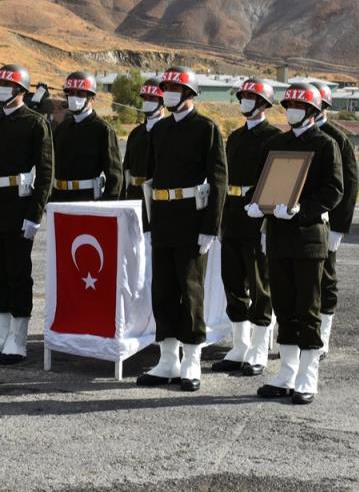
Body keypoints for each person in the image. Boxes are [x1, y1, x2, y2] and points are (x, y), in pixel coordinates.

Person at [246, 81, 343, 404]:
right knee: (284, 306)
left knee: (308, 308)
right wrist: (254, 202)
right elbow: (260, 182)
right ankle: (287, 371)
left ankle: (307, 375)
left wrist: (303, 210)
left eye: (299, 107)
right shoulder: (276, 144)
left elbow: (334, 190)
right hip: (278, 237)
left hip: (308, 239)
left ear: (314, 111)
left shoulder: (326, 145)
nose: (292, 111)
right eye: (289, 106)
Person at [137, 66, 227, 391]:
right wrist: (149, 223)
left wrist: (210, 227)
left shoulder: (206, 129)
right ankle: (167, 360)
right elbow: (149, 180)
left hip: (191, 221)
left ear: (189, 93)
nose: (168, 93)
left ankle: (191, 361)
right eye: (166, 88)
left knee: (190, 292)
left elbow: (218, 180)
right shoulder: (158, 131)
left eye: (175, 88)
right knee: (162, 291)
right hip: (162, 218)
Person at [0, 64, 54, 365]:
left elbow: (45, 172)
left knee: (17, 273)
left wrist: (35, 215)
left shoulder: (35, 123)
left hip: (18, 209)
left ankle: (17, 339)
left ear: (20, 90)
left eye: (7, 84)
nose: (1, 88)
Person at [213, 78, 280, 376]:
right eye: (243, 97)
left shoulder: (274, 138)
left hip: (257, 218)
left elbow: (276, 183)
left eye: (251, 97)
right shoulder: (236, 137)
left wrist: (266, 218)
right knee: (233, 282)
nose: (245, 101)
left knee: (260, 285)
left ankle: (259, 347)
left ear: (264, 103)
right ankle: (239, 345)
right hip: (233, 216)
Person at [313, 82, 359, 359]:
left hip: (327, 222)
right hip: (295, 221)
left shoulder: (336, 138)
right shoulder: (294, 137)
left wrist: (339, 227)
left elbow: (349, 184)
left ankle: (323, 336)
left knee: (325, 277)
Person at [50, 71, 122, 203]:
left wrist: (106, 207)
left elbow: (114, 176)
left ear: (92, 97)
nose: (74, 97)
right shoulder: (61, 129)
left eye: (80, 93)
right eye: (70, 93)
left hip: (88, 201)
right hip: (59, 200)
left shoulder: (103, 130)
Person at [123, 79, 167, 234]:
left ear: (163, 101)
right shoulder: (136, 134)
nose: (147, 102)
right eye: (146, 98)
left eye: (153, 99)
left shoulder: (169, 132)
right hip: (134, 198)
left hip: (158, 201)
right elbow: (126, 171)